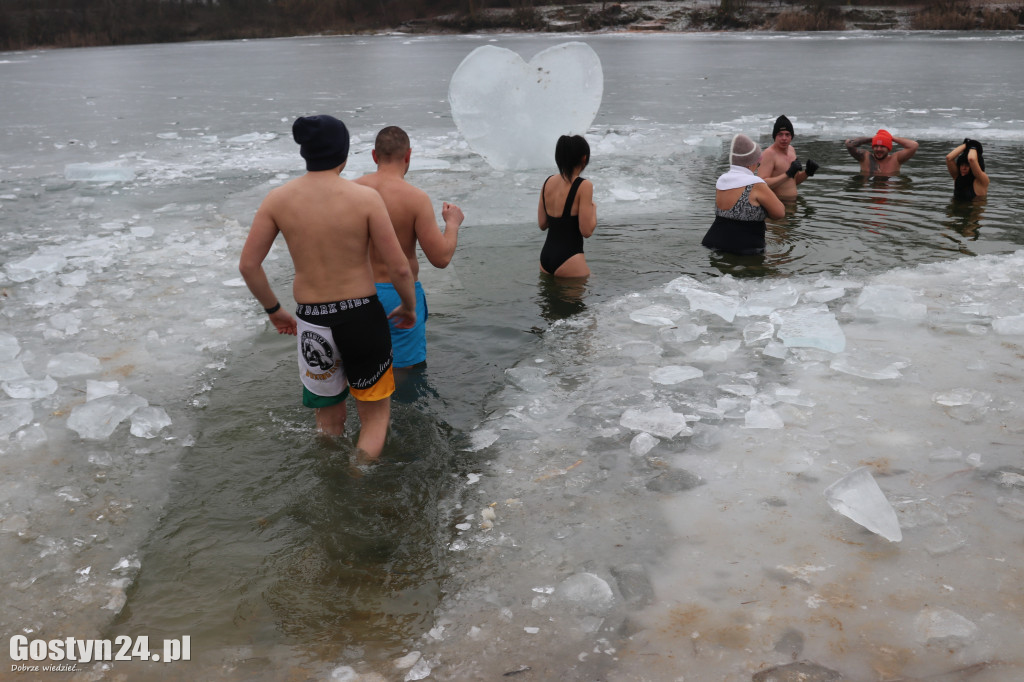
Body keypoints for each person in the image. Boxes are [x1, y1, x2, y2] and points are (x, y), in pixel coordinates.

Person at [238, 114, 416, 460]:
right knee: (375, 419)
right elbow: (399, 267)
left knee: (328, 419)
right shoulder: (364, 198)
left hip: (312, 321)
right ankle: (358, 479)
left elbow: (248, 265)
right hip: (361, 316)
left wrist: (275, 311)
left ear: (305, 154)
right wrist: (408, 306)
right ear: (345, 154)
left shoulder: (277, 200)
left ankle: (330, 482)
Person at [355, 126, 464, 369]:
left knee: (362, 368)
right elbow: (441, 258)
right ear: (408, 155)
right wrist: (452, 224)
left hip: (355, 292)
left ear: (374, 156)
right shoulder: (415, 198)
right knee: (403, 371)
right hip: (398, 294)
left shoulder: (351, 191)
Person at [702, 133, 785, 255]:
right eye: (758, 162)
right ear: (750, 162)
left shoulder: (722, 180)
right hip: (744, 249)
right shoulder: (755, 183)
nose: (758, 166)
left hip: (712, 243)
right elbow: (779, 213)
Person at [538, 134, 597, 278]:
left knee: (550, 300)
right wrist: (593, 209)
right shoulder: (584, 185)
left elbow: (542, 224)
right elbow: (586, 231)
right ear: (584, 158)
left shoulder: (548, 182)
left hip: (546, 258)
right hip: (570, 259)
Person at [757, 115, 819, 200]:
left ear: (792, 136)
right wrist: (788, 174)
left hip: (793, 204)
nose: (784, 138)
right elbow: (761, 184)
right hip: (778, 205)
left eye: (787, 134)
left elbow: (793, 181)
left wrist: (807, 172)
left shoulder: (791, 150)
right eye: (780, 134)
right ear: (775, 136)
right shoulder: (768, 154)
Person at [845, 129, 918, 176]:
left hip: (889, 192)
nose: (878, 149)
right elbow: (849, 144)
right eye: (876, 146)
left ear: (888, 149)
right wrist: (874, 138)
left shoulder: (896, 159)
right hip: (869, 192)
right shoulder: (865, 158)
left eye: (882, 146)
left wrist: (890, 137)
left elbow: (914, 145)